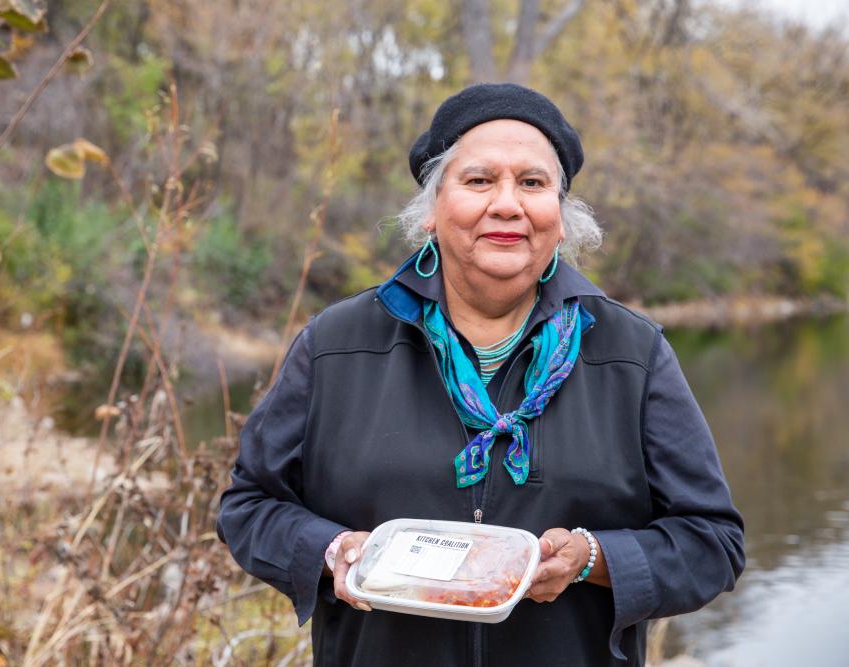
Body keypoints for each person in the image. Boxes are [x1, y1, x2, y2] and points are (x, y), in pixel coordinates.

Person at [216, 83, 744, 666]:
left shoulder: (631, 353)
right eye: (479, 180)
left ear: (561, 219)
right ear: (433, 212)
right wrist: (333, 551)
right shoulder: (336, 345)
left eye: (533, 183)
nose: (507, 204)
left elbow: (711, 542)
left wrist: (593, 560)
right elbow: (250, 506)